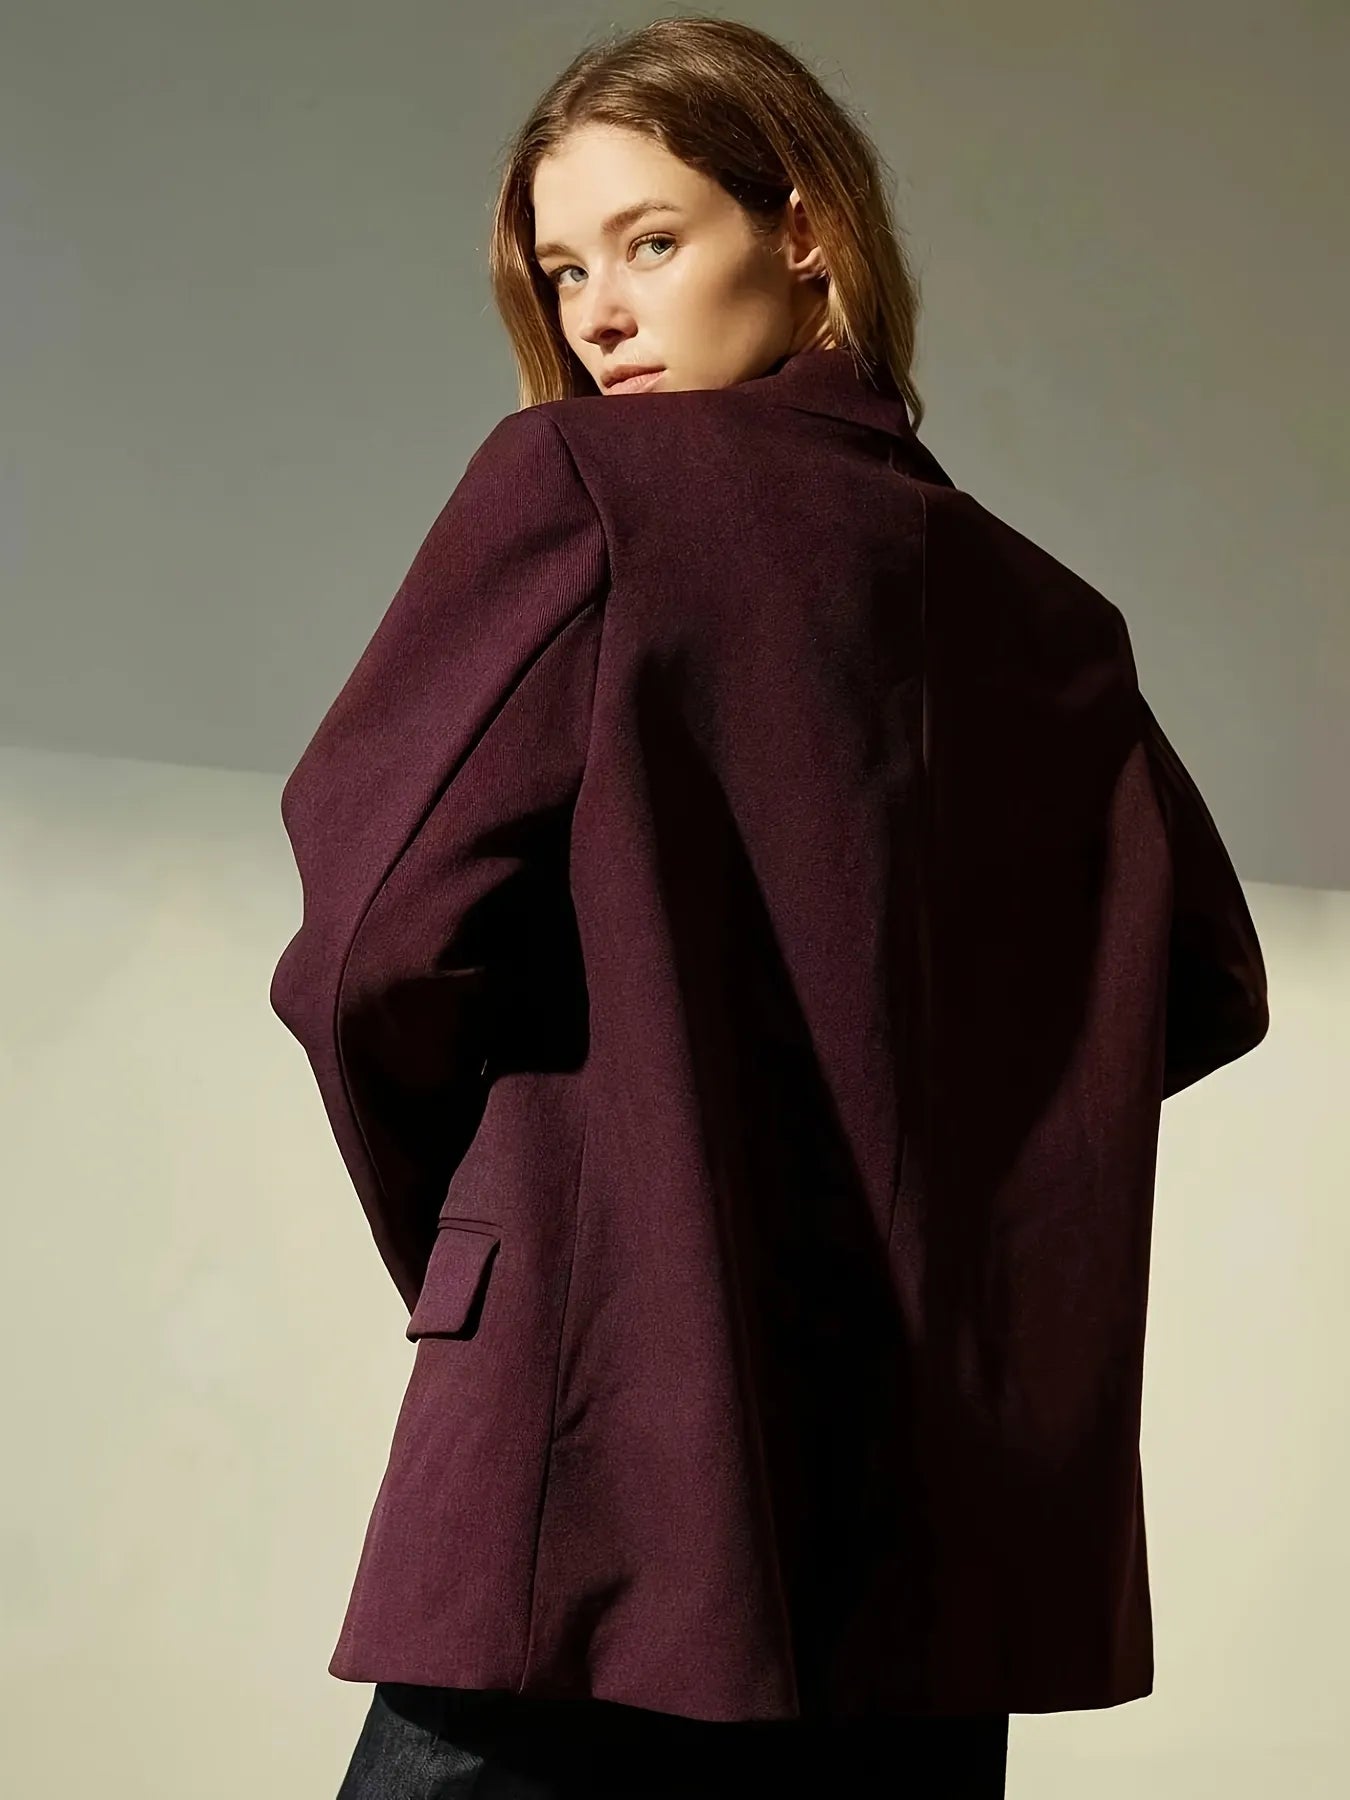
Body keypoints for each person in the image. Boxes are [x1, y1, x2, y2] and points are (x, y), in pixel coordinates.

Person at [269, 17, 1269, 1800]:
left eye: (651, 241)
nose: (596, 314)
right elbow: (1195, 982)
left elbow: (371, 945)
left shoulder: (582, 488)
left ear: (799, 231)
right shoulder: (1050, 620)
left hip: (609, 1462)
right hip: (933, 1533)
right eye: (563, 267)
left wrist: (498, 1245)